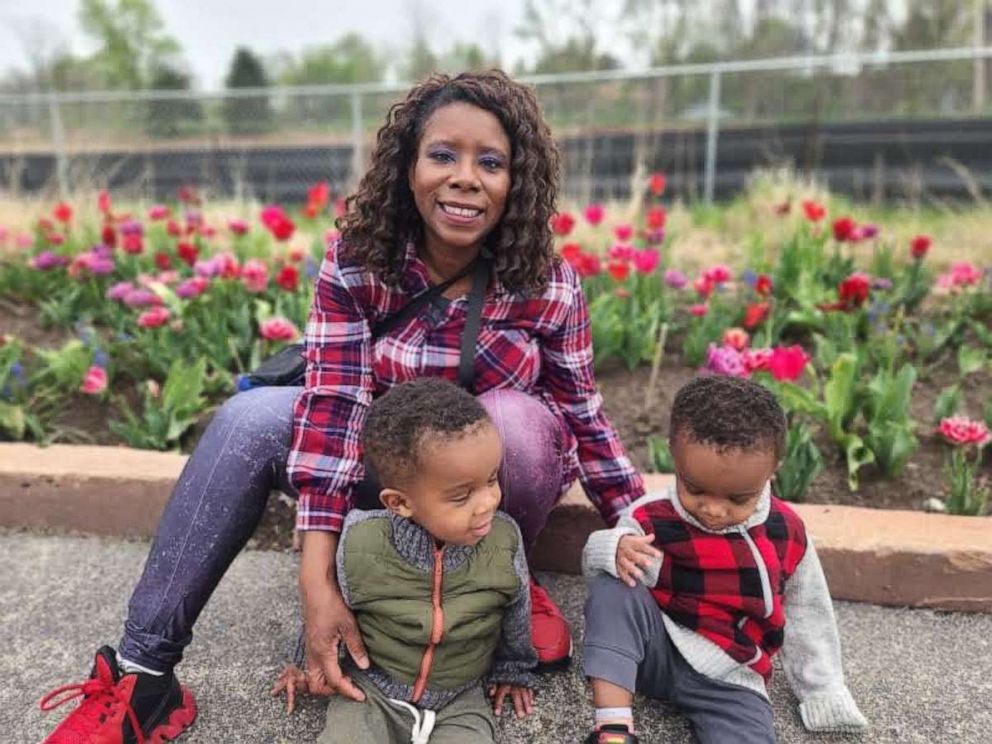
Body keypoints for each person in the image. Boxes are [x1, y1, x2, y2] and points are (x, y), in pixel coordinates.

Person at [39, 70, 644, 743]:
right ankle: (143, 674)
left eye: (491, 162)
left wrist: (642, 525)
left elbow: (584, 415)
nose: (466, 177)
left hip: (491, 489)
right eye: (443, 154)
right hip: (387, 474)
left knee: (517, 424)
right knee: (250, 419)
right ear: (407, 166)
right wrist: (316, 583)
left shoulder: (548, 285)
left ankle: (498, 578)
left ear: (517, 181)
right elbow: (332, 410)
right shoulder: (358, 263)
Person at [580, 375, 867, 744]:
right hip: (655, 652)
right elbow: (602, 590)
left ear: (771, 471)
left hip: (733, 676)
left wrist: (823, 690)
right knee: (616, 584)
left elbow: (807, 611)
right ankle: (613, 729)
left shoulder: (785, 533)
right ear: (674, 454)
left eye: (738, 498)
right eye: (695, 489)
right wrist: (612, 549)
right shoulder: (651, 516)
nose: (714, 509)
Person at [274, 377, 537, 742]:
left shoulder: (504, 539)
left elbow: (517, 610)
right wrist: (303, 661)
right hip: (371, 690)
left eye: (491, 480)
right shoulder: (360, 541)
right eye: (462, 496)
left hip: (461, 696)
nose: (488, 501)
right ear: (399, 503)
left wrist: (514, 669)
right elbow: (324, 607)